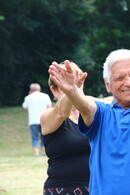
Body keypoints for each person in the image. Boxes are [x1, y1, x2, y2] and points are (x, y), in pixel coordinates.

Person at [48, 49, 130, 195]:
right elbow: (86, 108)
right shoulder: (101, 113)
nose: (128, 82)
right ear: (107, 84)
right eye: (119, 78)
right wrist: (72, 92)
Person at [40, 61, 91, 195]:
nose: (72, 86)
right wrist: (72, 90)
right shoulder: (48, 116)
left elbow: (115, 100)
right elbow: (61, 112)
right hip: (62, 189)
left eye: (75, 80)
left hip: (97, 187)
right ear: (54, 90)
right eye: (65, 82)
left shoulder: (92, 112)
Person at [22, 83, 52, 156]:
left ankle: (36, 153)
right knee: (44, 136)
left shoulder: (28, 97)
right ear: (39, 89)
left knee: (35, 137)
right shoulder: (45, 96)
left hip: (33, 120)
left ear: (31, 90)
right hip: (44, 119)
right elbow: (50, 107)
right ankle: (44, 152)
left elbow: (25, 107)